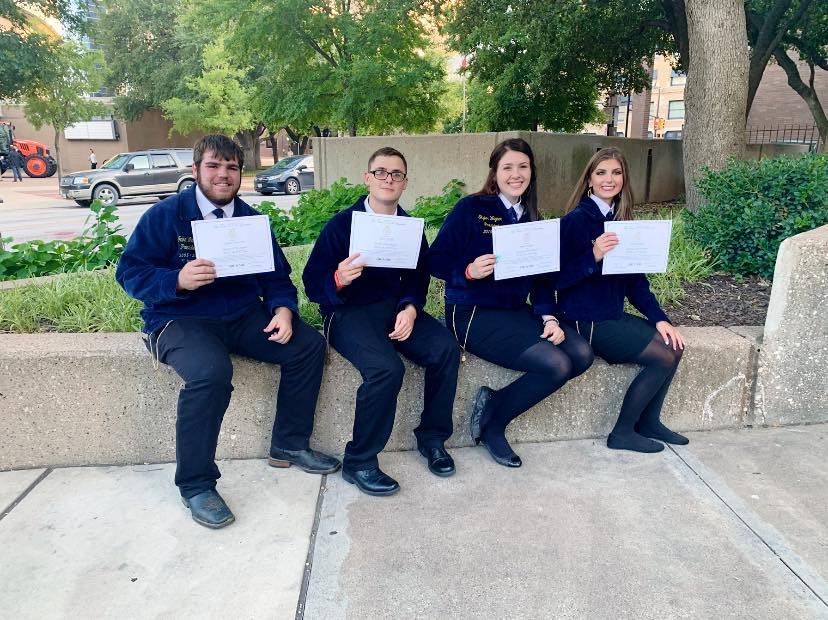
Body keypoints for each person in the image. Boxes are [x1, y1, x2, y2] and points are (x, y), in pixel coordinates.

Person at [115, 134, 339, 529]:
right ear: (196, 170)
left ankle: (288, 443)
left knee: (307, 345)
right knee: (211, 373)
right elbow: (129, 273)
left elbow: (277, 278)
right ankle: (196, 484)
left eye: (232, 168)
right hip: (178, 318)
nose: (223, 175)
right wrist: (177, 280)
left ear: (240, 173)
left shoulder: (251, 220)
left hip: (239, 316)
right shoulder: (166, 216)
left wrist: (284, 311)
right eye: (214, 166)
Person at [302, 147, 460, 496]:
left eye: (397, 174)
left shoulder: (409, 227)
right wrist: (339, 279)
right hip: (347, 313)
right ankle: (359, 461)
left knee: (445, 349)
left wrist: (411, 308)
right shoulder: (342, 225)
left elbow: (419, 280)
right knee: (387, 370)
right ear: (367, 178)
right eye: (381, 172)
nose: (389, 179)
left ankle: (432, 439)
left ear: (405, 182)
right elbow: (312, 283)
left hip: (394, 311)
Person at [429, 138, 593, 467]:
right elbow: (434, 260)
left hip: (516, 311)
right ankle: (493, 425)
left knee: (581, 354)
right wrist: (468, 271)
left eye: (523, 166)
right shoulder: (472, 209)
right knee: (556, 365)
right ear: (495, 173)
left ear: (531, 172)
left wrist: (548, 317)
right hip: (472, 312)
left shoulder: (534, 219)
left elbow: (544, 280)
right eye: (507, 167)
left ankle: (495, 401)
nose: (515, 174)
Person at [556, 147, 686, 453]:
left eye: (616, 172)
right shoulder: (575, 221)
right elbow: (555, 280)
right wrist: (594, 255)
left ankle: (648, 421)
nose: (608, 179)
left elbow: (635, 283)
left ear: (624, 178)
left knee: (675, 345)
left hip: (610, 314)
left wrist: (660, 319)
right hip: (583, 318)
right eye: (601, 173)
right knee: (663, 357)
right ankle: (622, 433)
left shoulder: (623, 220)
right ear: (589, 180)